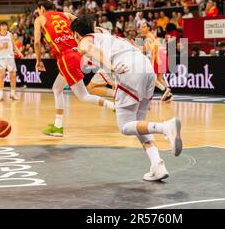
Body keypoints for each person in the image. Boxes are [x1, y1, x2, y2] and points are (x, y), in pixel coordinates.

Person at [71, 15, 182, 181]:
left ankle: (166, 127)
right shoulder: (106, 36)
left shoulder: (84, 42)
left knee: (125, 126)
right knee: (139, 124)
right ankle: (157, 165)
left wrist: (111, 66)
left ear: (76, 35)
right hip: (146, 67)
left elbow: (92, 49)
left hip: (127, 69)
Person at [34, 0, 115, 137]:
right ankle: (58, 125)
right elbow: (82, 24)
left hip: (66, 57)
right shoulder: (65, 14)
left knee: (83, 96)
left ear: (41, 8)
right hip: (78, 51)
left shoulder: (40, 19)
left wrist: (38, 60)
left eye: (39, 9)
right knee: (57, 88)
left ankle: (113, 106)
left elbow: (36, 42)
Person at [140, 23, 173, 102]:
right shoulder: (151, 36)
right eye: (142, 27)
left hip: (158, 56)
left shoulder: (149, 36)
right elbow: (145, 49)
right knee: (159, 78)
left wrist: (133, 47)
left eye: (144, 27)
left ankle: (165, 91)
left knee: (152, 78)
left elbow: (149, 49)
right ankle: (169, 95)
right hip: (162, 55)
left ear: (148, 28)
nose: (142, 28)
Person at [0, 21, 23, 102]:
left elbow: (13, 45)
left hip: (10, 57)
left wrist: (19, 52)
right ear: (0, 27)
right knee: (2, 75)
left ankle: (13, 94)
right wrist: (2, 47)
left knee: (13, 75)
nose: (4, 27)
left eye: (5, 25)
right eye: (2, 25)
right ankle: (0, 95)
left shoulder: (10, 34)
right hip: (0, 58)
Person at [86, 23, 115, 99]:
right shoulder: (103, 31)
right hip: (114, 62)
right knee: (116, 87)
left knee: (90, 88)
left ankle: (118, 95)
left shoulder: (92, 37)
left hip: (109, 65)